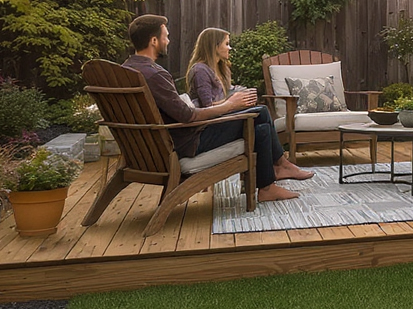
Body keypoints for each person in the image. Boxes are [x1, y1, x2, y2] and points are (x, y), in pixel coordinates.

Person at [123, 15, 311, 203]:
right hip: (188, 143)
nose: (168, 41)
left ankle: (269, 183)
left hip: (159, 144)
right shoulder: (155, 75)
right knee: (260, 113)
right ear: (154, 41)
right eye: (165, 36)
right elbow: (187, 115)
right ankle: (278, 169)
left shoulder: (127, 71)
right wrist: (230, 105)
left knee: (260, 129)